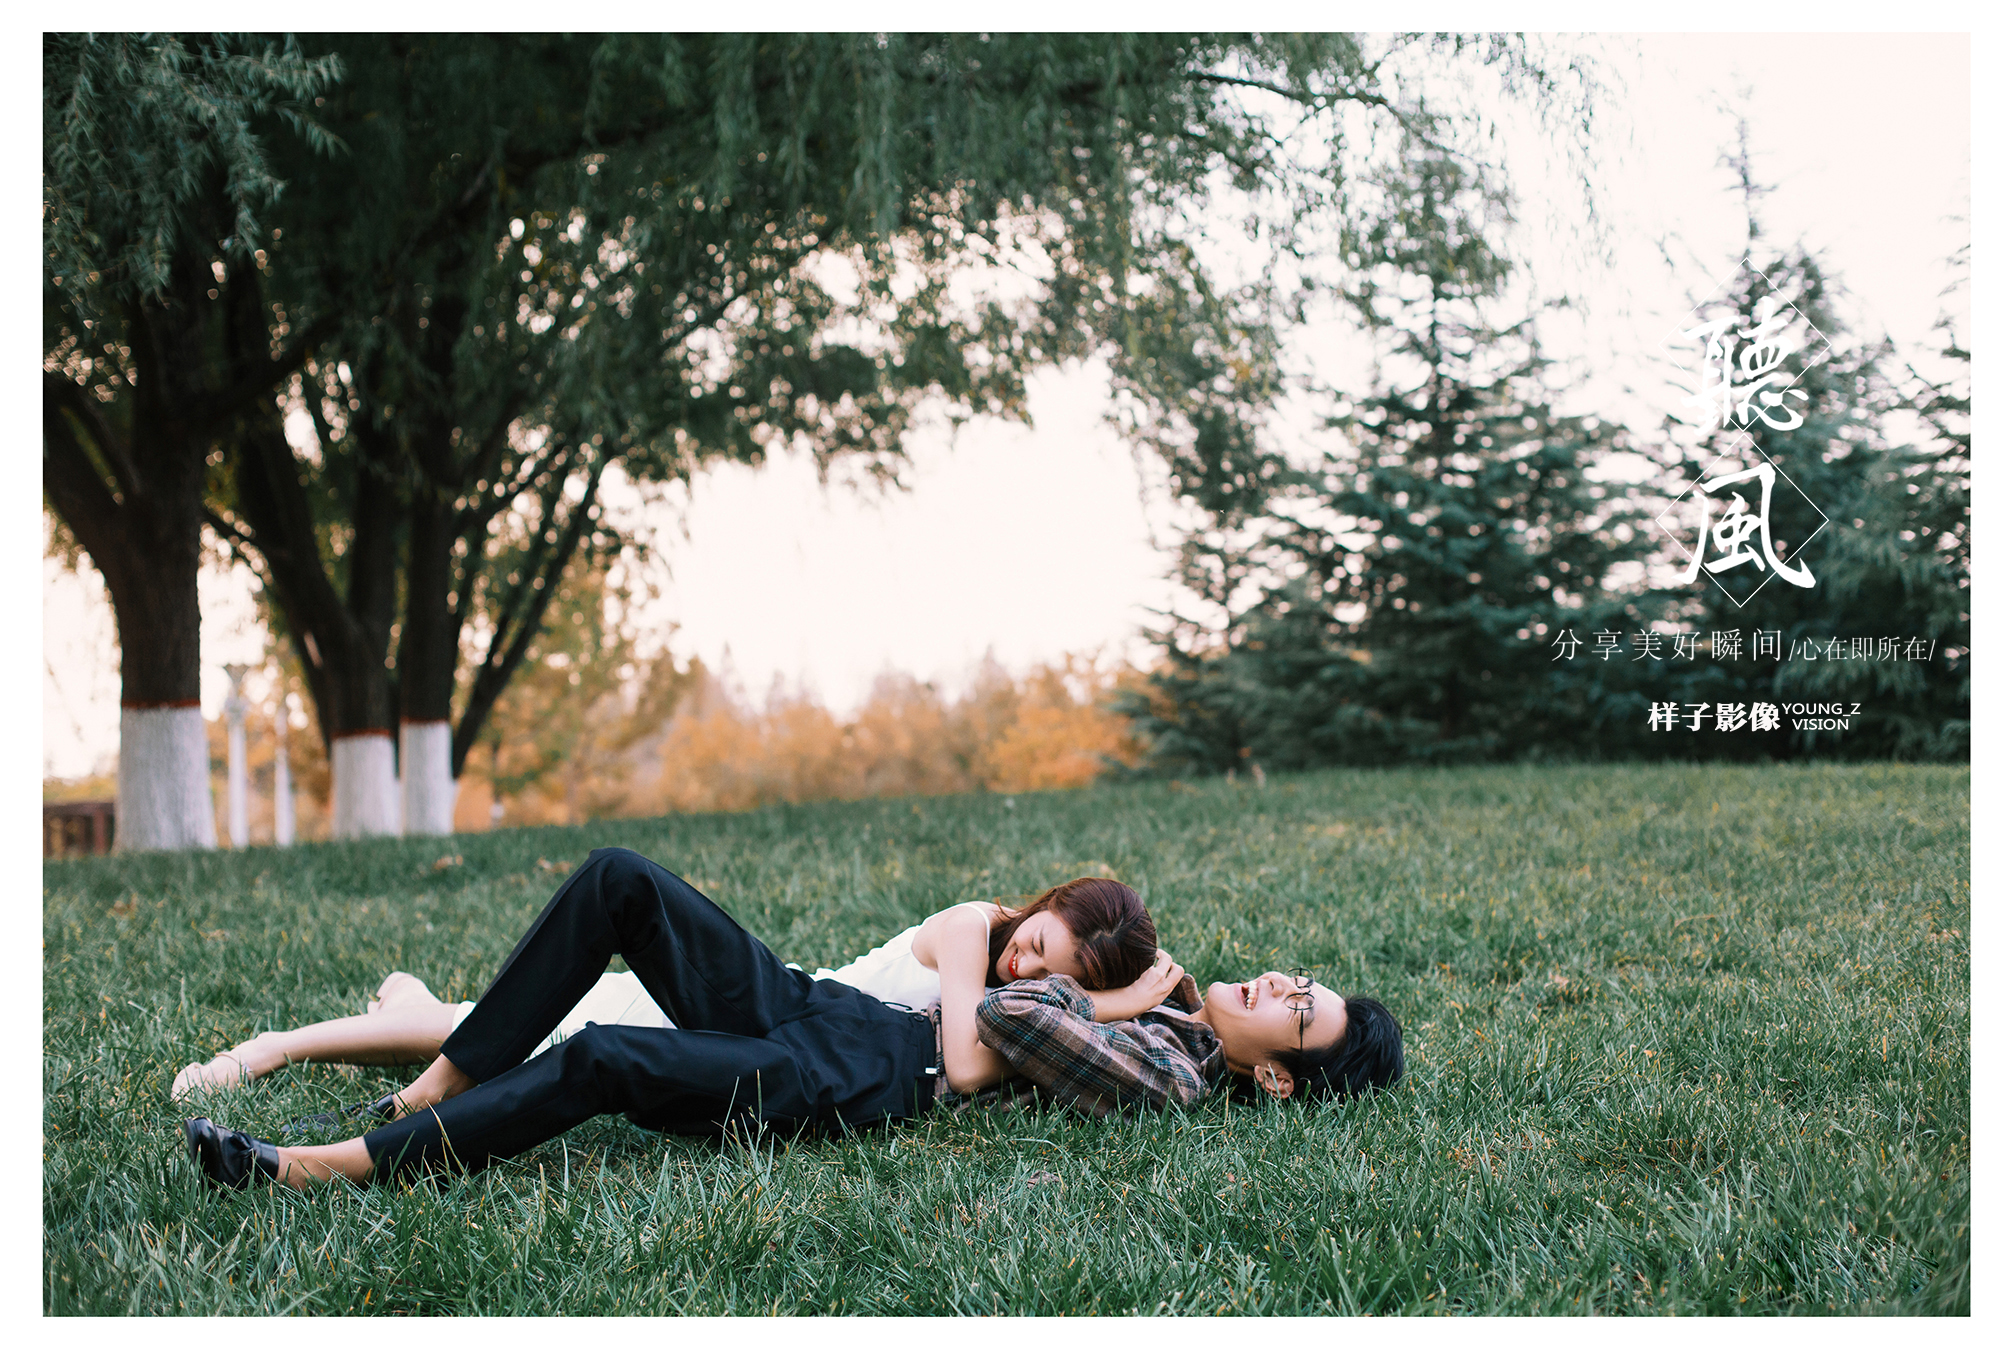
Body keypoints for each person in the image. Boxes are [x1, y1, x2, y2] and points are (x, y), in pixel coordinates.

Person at [183, 847, 1404, 1191]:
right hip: (816, 1006)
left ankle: (328, 1163)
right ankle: (437, 1082)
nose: (1276, 984)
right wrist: (1134, 984)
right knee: (618, 878)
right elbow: (1019, 1002)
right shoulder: (1164, 1004)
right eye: (1294, 980)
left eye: (1296, 1012)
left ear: (1278, 1075)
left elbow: (977, 1055)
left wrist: (1123, 995)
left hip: (855, 1071)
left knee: (603, 1055)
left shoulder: (1171, 1060)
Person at [171, 868, 1159, 1108]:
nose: (1029, 971)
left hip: (783, 1046)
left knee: (480, 1026)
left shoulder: (1030, 991)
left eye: (1054, 976)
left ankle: (407, 1006)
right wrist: (1111, 1004)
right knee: (487, 1033)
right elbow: (968, 1063)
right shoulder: (972, 926)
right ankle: (269, 1048)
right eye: (1039, 944)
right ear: (1035, 908)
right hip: (763, 1010)